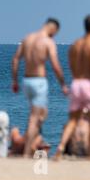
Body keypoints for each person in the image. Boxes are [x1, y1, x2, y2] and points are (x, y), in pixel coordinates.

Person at [11, 18, 68, 157]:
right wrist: (63, 84)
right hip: (39, 81)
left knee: (41, 114)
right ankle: (26, 152)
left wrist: (15, 81)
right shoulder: (48, 42)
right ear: (53, 29)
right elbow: (55, 65)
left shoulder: (27, 38)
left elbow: (16, 59)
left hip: (26, 81)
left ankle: (30, 143)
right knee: (35, 118)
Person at [54, 15, 90, 160]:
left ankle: (61, 147)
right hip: (89, 84)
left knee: (72, 120)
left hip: (76, 83)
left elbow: (70, 63)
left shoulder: (75, 45)